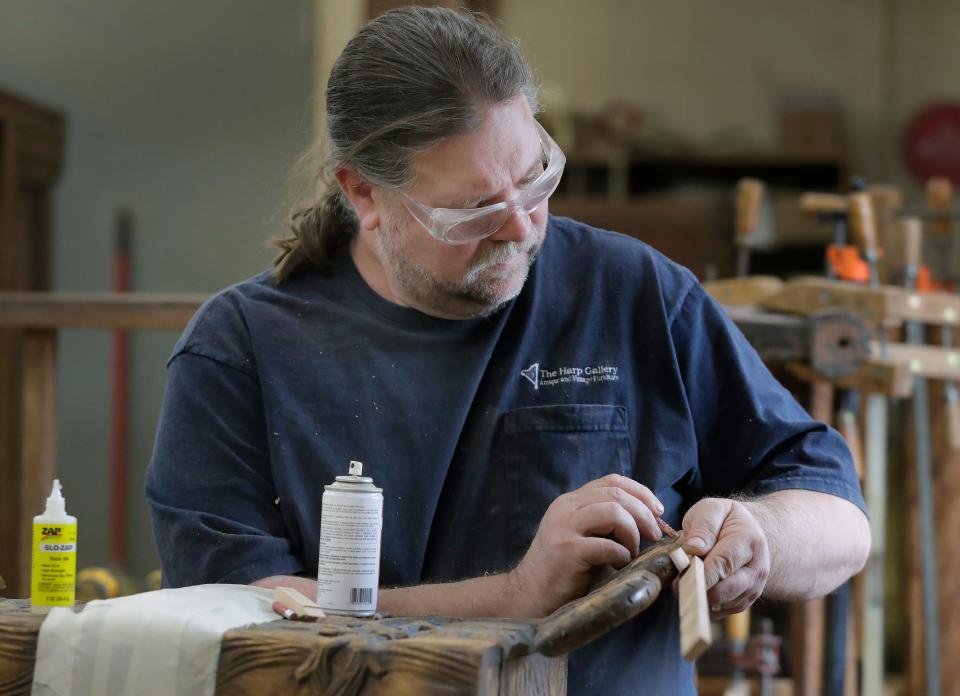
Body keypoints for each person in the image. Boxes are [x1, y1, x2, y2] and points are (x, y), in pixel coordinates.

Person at [146, 6, 870, 694]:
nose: (521, 228)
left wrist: (762, 536)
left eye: (536, 179)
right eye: (476, 209)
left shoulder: (630, 290)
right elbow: (242, 621)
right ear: (364, 195)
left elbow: (840, 517)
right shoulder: (240, 351)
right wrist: (517, 597)